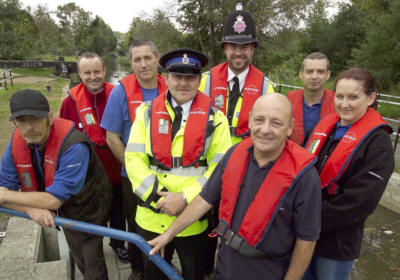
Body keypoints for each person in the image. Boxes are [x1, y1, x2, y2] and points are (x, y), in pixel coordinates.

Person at [148, 93, 322, 280]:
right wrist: (169, 234)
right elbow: (203, 200)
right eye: (259, 120)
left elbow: (307, 240)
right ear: (249, 122)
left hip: (268, 272)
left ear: (289, 128)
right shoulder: (235, 154)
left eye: (276, 123)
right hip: (225, 266)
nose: (265, 129)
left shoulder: (305, 178)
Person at [125, 48, 231, 280]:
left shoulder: (217, 120)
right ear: (166, 78)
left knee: (194, 275)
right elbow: (133, 159)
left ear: (199, 80)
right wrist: (157, 197)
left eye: (190, 77)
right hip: (151, 217)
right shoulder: (145, 113)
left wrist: (185, 197)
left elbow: (219, 170)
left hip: (192, 220)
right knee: (153, 276)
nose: (183, 83)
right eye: (177, 76)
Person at [0, 89, 112, 280]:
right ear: (14, 123)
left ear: (50, 117)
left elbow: (52, 201)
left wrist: (4, 196)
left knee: (91, 261)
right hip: (63, 209)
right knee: (79, 255)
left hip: (90, 208)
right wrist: (29, 209)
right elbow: (4, 188)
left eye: (35, 119)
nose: (29, 127)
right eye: (22, 121)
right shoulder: (17, 141)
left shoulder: (74, 145)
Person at [303, 67, 395, 280]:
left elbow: (360, 201)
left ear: (370, 98)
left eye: (353, 97)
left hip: (336, 243)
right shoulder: (326, 126)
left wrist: (311, 222)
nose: (344, 104)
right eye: (340, 96)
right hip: (304, 233)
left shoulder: (378, 144)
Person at [101, 39, 167, 279]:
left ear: (157, 58)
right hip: (133, 176)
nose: (143, 64)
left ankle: (163, 266)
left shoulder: (170, 86)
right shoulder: (121, 91)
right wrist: (135, 169)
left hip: (167, 172)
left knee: (165, 221)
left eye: (147, 58)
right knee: (136, 224)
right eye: (137, 59)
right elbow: (112, 138)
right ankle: (138, 270)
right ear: (130, 63)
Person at [59, 52, 128, 262]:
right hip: (87, 177)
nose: (93, 77)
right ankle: (93, 248)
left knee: (118, 212)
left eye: (97, 71)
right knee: (93, 215)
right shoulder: (69, 103)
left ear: (105, 71)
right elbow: (62, 139)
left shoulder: (118, 95)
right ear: (79, 74)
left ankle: (118, 243)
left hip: (116, 171)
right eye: (87, 72)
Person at [199, 5, 274, 145]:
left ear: (252, 49)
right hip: (211, 159)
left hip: (246, 158)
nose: (238, 53)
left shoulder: (265, 87)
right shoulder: (205, 81)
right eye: (233, 46)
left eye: (244, 47)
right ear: (225, 48)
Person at [288, 52, 335, 146]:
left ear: (328, 75)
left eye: (320, 72)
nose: (314, 77)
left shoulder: (339, 104)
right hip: (292, 157)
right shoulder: (286, 102)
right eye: (309, 72)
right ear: (301, 74)